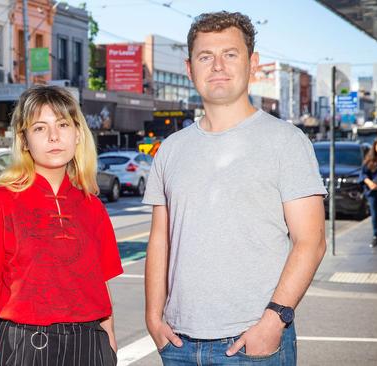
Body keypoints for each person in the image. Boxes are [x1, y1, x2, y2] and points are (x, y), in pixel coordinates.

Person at [143, 11, 327, 365]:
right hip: (179, 345)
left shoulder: (286, 141)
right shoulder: (170, 149)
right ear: (189, 67)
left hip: (252, 343)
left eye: (230, 54)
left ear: (252, 63)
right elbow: (159, 240)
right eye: (205, 56)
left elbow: (311, 241)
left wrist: (274, 321)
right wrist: (153, 316)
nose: (217, 66)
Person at [0, 85, 122, 366]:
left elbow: (100, 286)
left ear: (78, 133)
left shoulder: (93, 207)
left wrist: (110, 344)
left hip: (91, 343)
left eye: (63, 124)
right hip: (25, 346)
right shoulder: (0, 201)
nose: (54, 136)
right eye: (40, 128)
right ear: (24, 140)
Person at [359, 137, 377, 248]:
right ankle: (375, 236)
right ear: (375, 147)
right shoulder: (369, 160)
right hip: (372, 192)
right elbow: (363, 174)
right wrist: (369, 183)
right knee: (374, 214)